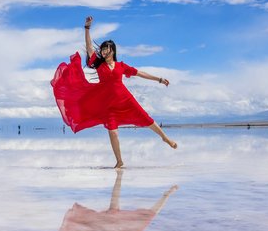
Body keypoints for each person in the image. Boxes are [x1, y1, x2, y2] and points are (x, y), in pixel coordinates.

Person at [51, 15, 177, 168]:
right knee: (113, 132)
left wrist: (159, 79)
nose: (103, 51)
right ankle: (119, 160)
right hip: (108, 105)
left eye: (106, 48)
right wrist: (87, 28)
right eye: (102, 49)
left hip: (125, 100)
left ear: (112, 50)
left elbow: (140, 73)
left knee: (146, 119)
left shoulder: (121, 66)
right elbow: (90, 47)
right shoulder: (98, 65)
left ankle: (165, 138)